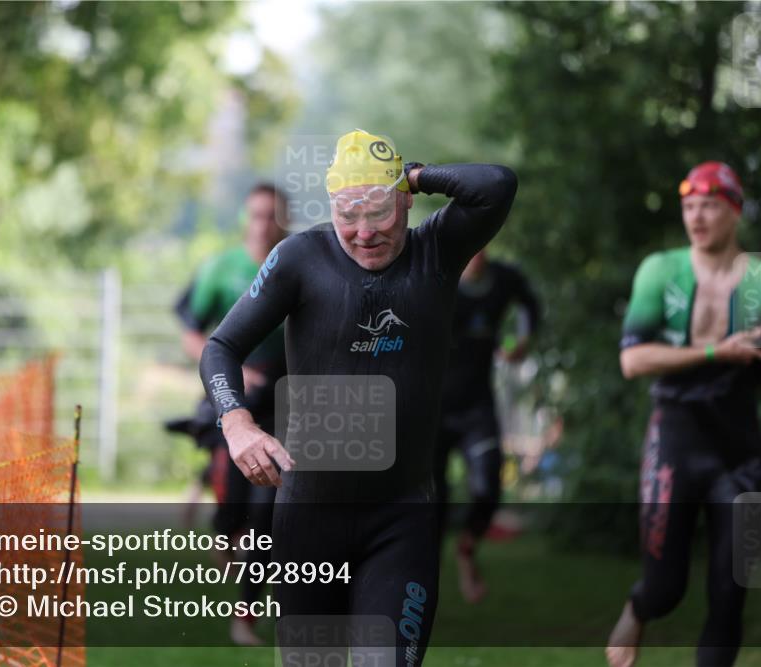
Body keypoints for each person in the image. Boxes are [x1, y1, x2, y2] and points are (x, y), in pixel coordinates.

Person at [199, 130, 517, 665]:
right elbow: (221, 346)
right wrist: (238, 424)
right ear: (330, 207)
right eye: (348, 214)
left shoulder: (438, 249)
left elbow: (496, 185)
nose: (365, 233)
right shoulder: (301, 257)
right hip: (308, 519)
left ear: (406, 201)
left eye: (380, 212)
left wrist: (412, 172)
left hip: (402, 519)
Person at [605, 161, 761, 667]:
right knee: (665, 588)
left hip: (740, 449)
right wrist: (718, 352)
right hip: (674, 438)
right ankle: (638, 605)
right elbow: (633, 360)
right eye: (689, 206)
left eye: (709, 205)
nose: (697, 216)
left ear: (735, 210)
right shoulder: (661, 268)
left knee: (732, 591)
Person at [174, 182, 289, 646]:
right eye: (256, 215)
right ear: (247, 218)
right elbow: (192, 336)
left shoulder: (297, 262)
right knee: (234, 512)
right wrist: (235, 370)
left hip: (287, 401)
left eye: (271, 215)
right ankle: (219, 513)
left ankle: (244, 617)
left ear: (284, 219)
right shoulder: (221, 268)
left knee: (266, 514)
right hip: (233, 399)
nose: (263, 224)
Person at [433, 249, 540, 603]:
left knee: (489, 487)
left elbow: (530, 307)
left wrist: (522, 341)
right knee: (433, 501)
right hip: (432, 407)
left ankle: (467, 547)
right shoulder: (437, 274)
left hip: (478, 407)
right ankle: (423, 578)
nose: (474, 252)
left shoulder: (505, 279)